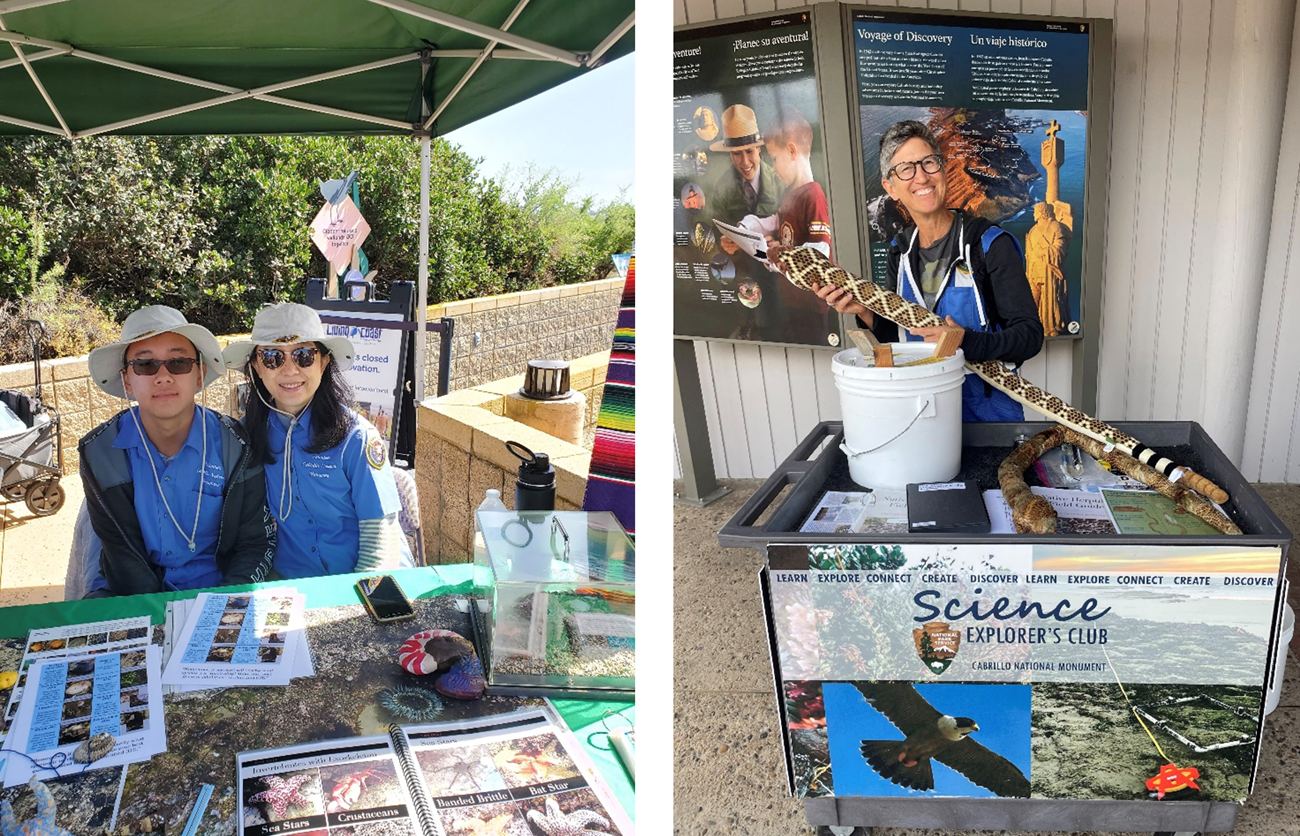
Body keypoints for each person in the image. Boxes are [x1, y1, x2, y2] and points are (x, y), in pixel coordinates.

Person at [815, 119, 1043, 421]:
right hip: (920, 412)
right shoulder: (901, 251)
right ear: (890, 188)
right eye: (906, 169)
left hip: (988, 417)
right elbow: (899, 336)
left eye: (929, 163)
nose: (921, 177)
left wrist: (964, 341)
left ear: (943, 170)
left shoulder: (988, 244)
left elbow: (1029, 337)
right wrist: (865, 310)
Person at [79, 306, 275, 597]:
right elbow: (121, 553)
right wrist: (159, 618)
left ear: (199, 374)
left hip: (220, 593)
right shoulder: (99, 452)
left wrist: (221, 608)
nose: (163, 376)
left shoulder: (238, 445)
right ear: (127, 380)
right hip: (133, 595)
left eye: (179, 362)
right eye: (145, 365)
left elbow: (254, 543)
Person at [223, 303, 413, 578]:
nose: (289, 370)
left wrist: (354, 608)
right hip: (295, 588)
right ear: (256, 367)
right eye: (273, 357)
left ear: (324, 362)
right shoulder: (247, 438)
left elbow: (379, 543)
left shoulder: (357, 437)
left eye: (303, 356)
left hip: (367, 584)